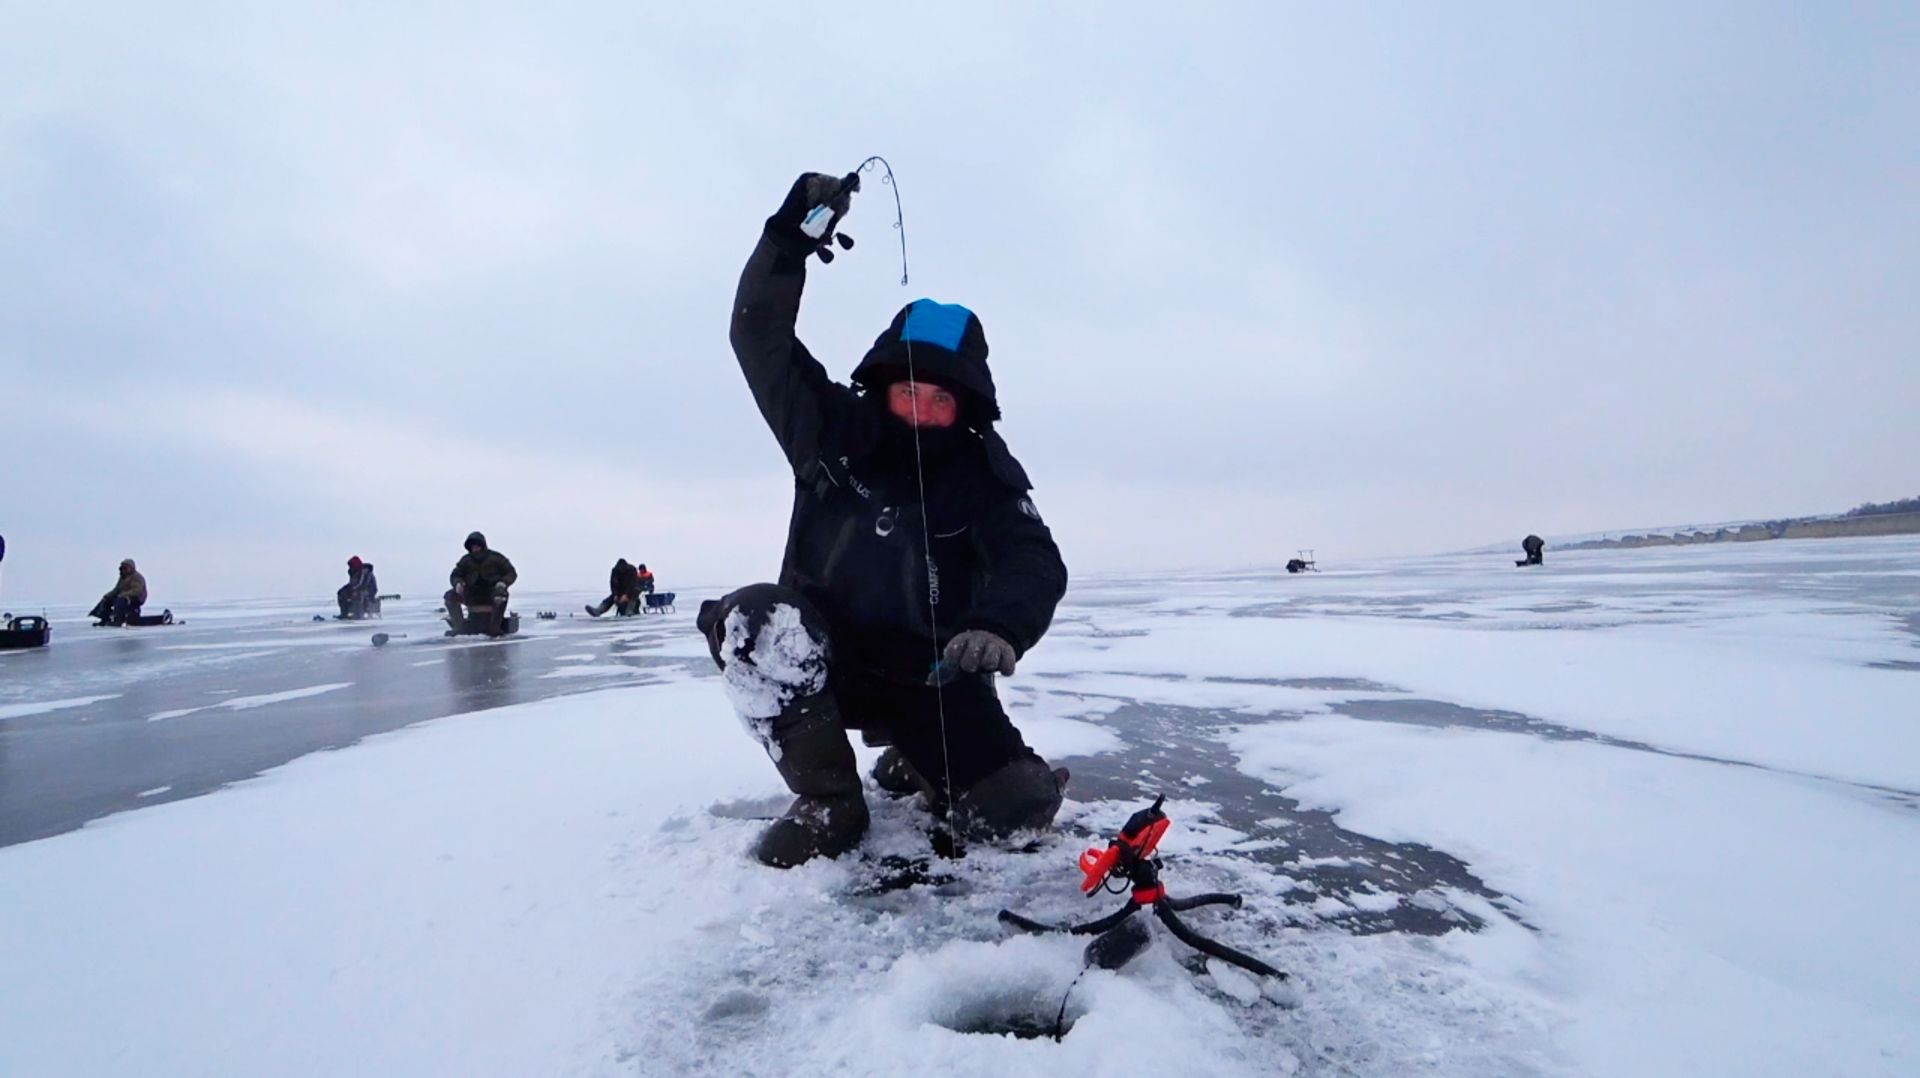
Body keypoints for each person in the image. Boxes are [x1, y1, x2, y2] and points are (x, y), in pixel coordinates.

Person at [697, 172, 1070, 868]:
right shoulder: (829, 429)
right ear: (883, 385)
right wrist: (788, 241)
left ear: (965, 405)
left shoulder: (983, 473)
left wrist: (999, 625)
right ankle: (831, 800)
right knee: (756, 620)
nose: (922, 412)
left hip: (932, 679)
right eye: (908, 392)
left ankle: (921, 758)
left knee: (1014, 812)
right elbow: (759, 336)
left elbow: (1034, 559)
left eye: (940, 400)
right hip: (824, 665)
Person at [445, 531, 517, 635]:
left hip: (492, 593)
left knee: (501, 595)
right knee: (450, 596)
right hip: (471, 594)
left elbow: (511, 572)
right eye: (473, 547)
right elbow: (455, 575)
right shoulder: (466, 561)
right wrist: (458, 583)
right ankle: (459, 627)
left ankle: (495, 628)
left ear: (483, 546)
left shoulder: (496, 558)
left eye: (477, 546)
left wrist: (503, 583)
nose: (475, 549)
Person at [88, 559, 148, 625]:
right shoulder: (123, 577)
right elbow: (117, 589)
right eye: (122, 568)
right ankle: (105, 618)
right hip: (123, 596)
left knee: (121, 601)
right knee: (107, 600)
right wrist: (107, 596)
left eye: (126, 567)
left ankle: (118, 620)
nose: (123, 570)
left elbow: (137, 591)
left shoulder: (137, 577)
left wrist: (123, 595)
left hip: (137, 598)